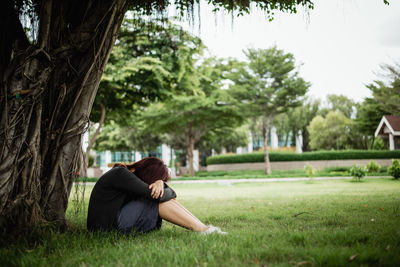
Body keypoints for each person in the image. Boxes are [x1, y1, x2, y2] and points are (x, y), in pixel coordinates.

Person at [87, 157, 226, 235]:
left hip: (111, 224)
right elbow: (156, 195)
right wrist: (161, 185)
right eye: (154, 179)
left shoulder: (125, 174)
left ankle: (205, 228)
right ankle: (203, 230)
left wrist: (161, 183)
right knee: (156, 198)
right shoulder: (121, 173)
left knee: (158, 196)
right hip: (105, 229)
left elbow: (161, 194)